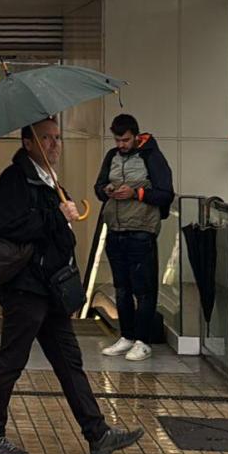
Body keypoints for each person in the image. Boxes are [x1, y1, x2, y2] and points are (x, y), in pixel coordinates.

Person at [0, 118, 145, 454]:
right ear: (27, 143)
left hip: (49, 288)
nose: (54, 145)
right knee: (11, 360)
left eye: (57, 138)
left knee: (70, 362)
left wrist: (63, 217)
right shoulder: (15, 179)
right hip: (25, 287)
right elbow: (13, 226)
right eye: (46, 139)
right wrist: (57, 215)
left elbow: (59, 235)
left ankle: (97, 434)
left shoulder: (48, 182)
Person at [91, 114, 175, 363]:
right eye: (117, 140)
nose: (121, 144)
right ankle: (126, 336)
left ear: (136, 136)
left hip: (141, 230)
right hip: (116, 229)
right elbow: (98, 187)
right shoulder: (111, 156)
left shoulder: (152, 156)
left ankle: (143, 340)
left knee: (144, 289)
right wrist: (106, 190)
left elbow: (165, 194)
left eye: (125, 140)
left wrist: (136, 193)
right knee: (122, 288)